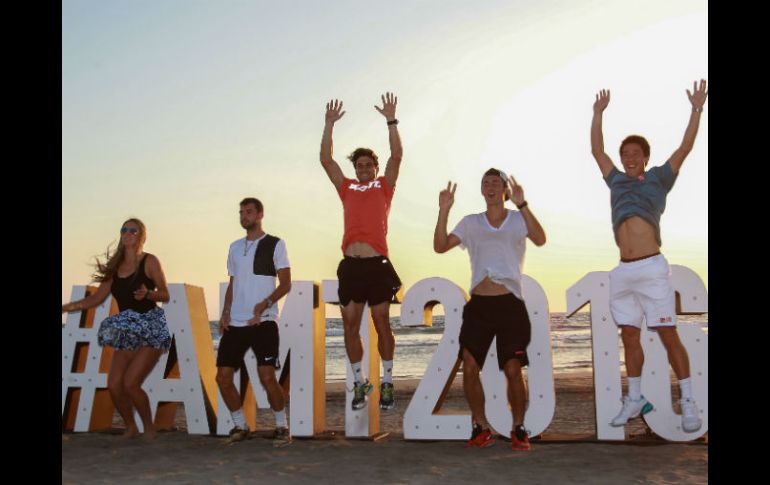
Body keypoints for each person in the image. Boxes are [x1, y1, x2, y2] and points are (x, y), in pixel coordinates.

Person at [590, 80, 708, 433]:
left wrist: (696, 109)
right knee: (629, 335)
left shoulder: (659, 178)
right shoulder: (616, 182)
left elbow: (685, 147)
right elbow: (597, 151)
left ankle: (687, 401)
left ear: (644, 157)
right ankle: (635, 397)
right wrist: (597, 115)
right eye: (624, 154)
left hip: (652, 267)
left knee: (668, 334)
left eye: (634, 154)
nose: (627, 159)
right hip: (623, 271)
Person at [433, 169, 546, 451]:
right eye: (486, 183)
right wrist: (443, 210)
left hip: (510, 304)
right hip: (480, 305)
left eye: (496, 182)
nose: (491, 186)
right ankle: (480, 426)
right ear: (482, 191)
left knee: (512, 367)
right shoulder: (471, 223)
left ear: (505, 190)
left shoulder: (518, 219)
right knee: (469, 366)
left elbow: (541, 239)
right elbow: (440, 246)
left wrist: (523, 204)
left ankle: (519, 427)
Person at [319, 93, 403, 411]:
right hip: (350, 266)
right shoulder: (348, 188)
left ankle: (388, 382)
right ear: (355, 169)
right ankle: (360, 383)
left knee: (382, 322)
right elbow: (327, 161)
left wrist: (391, 120)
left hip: (377, 264)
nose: (364, 168)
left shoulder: (384, 186)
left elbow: (397, 156)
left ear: (375, 168)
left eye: (369, 164)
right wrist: (329, 125)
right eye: (359, 165)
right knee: (350, 327)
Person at [62, 218, 172, 440]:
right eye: (124, 229)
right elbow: (95, 300)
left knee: (131, 383)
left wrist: (149, 294)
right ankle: (130, 426)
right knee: (113, 384)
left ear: (142, 236)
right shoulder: (114, 269)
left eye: (133, 230)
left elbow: (165, 294)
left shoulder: (149, 261)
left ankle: (148, 427)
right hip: (128, 330)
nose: (128, 233)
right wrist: (65, 307)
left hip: (150, 328)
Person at [216, 198, 293, 447]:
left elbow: (286, 284)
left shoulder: (275, 244)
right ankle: (240, 425)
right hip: (236, 323)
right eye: (241, 212)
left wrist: (265, 303)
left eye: (248, 212)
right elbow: (233, 283)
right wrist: (226, 312)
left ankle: (282, 427)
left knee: (267, 376)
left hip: (264, 321)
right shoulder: (235, 247)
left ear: (260, 214)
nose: (244, 216)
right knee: (223, 378)